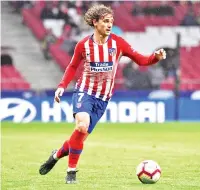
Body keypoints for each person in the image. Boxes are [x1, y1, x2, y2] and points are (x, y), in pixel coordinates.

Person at [39, 4, 166, 184]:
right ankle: (71, 172)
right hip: (84, 92)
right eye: (106, 21)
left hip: (103, 99)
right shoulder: (83, 45)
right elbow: (73, 66)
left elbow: (142, 60)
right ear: (95, 22)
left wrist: (155, 57)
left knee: (79, 137)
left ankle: (56, 154)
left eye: (111, 21)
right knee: (82, 125)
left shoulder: (119, 43)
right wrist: (62, 85)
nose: (109, 25)